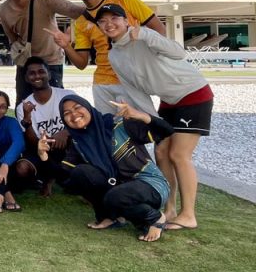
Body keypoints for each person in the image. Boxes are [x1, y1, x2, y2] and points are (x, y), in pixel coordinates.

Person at [95, 3, 212, 232]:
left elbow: (179, 53)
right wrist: (151, 119)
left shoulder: (143, 37)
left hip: (193, 93)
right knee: (160, 151)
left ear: (126, 20)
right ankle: (169, 208)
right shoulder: (114, 54)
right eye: (103, 21)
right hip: (169, 101)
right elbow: (135, 89)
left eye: (114, 18)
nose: (109, 24)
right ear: (99, 26)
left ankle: (188, 214)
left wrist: (147, 34)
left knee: (179, 154)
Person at [42, 95, 171, 242]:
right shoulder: (78, 143)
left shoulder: (119, 125)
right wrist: (43, 155)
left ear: (88, 107)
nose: (73, 115)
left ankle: (155, 218)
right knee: (81, 173)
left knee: (114, 196)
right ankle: (110, 217)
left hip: (151, 184)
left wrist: (138, 115)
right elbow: (65, 179)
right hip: (119, 188)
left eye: (77, 108)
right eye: (66, 113)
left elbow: (166, 130)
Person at [50, 0, 166, 114]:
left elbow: (159, 29)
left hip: (130, 78)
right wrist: (66, 46)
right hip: (102, 83)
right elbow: (81, 64)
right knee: (109, 130)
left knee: (144, 126)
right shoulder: (80, 23)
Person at [0, 0, 83, 103]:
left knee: (56, 103)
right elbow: (12, 37)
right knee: (24, 103)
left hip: (51, 61)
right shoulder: (4, 9)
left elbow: (76, 12)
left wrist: (69, 34)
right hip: (26, 63)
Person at [15, 57, 76, 196]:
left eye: (41, 71)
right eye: (32, 73)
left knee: (75, 146)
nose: (37, 76)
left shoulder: (67, 95)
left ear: (49, 74)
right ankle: (45, 179)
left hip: (69, 146)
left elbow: (86, 122)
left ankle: (66, 177)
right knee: (22, 169)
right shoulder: (23, 107)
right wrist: (27, 119)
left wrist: (65, 132)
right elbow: (33, 142)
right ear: (26, 78)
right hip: (44, 150)